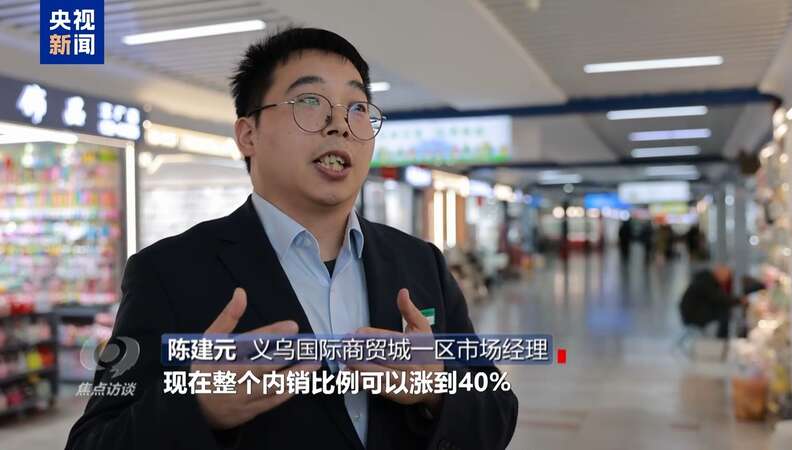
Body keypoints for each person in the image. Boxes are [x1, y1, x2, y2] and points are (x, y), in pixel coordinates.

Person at [65, 28, 517, 450]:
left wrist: (437, 388)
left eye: (357, 108)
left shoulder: (420, 263)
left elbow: (497, 411)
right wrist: (197, 409)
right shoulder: (168, 273)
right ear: (248, 135)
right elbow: (93, 440)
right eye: (310, 101)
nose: (340, 125)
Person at [679, 265, 746, 339]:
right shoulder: (706, 280)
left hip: (693, 312)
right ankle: (721, 339)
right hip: (693, 314)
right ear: (719, 273)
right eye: (726, 277)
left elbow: (719, 297)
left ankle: (722, 338)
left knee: (724, 311)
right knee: (724, 313)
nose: (725, 280)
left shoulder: (707, 279)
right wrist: (739, 301)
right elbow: (719, 298)